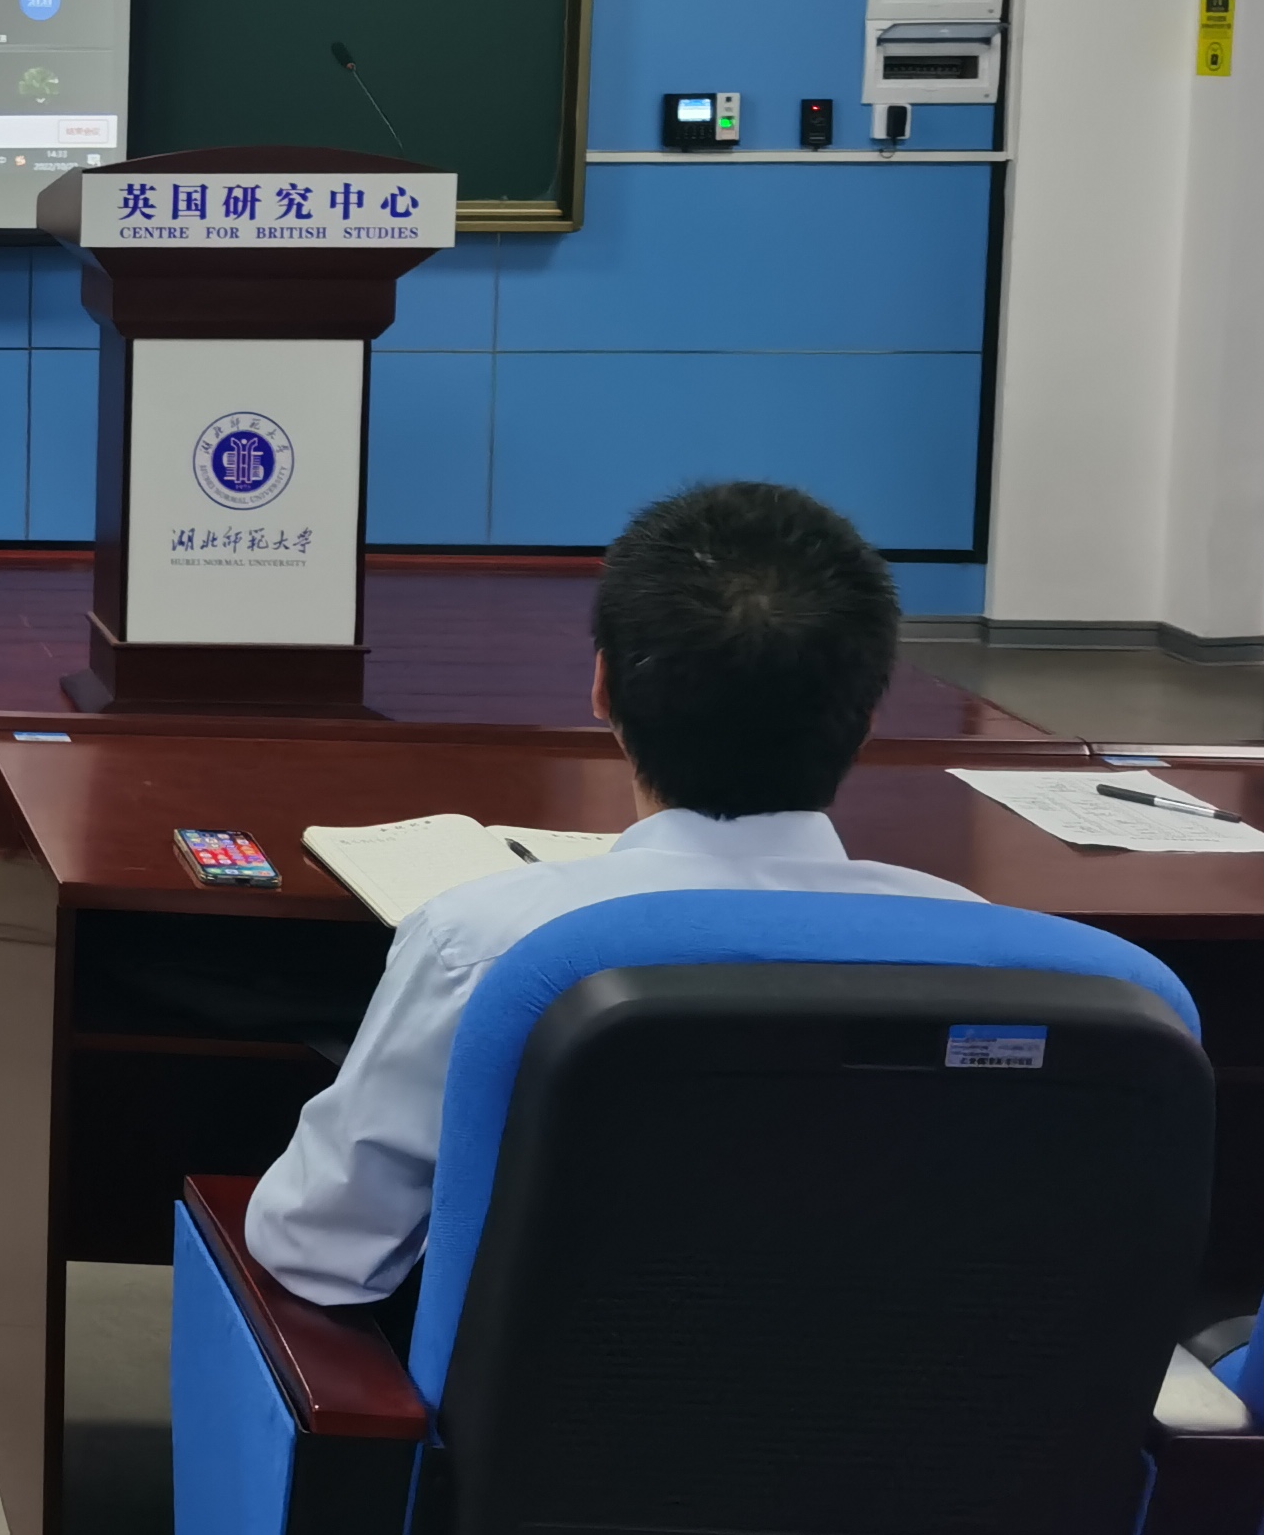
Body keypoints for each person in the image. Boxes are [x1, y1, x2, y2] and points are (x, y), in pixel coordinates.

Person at [243, 479, 972, 1309]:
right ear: (868, 717)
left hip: (554, 1394)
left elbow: (321, 1249)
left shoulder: (485, 943)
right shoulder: (996, 956)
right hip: (910, 1387)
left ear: (602, 688)